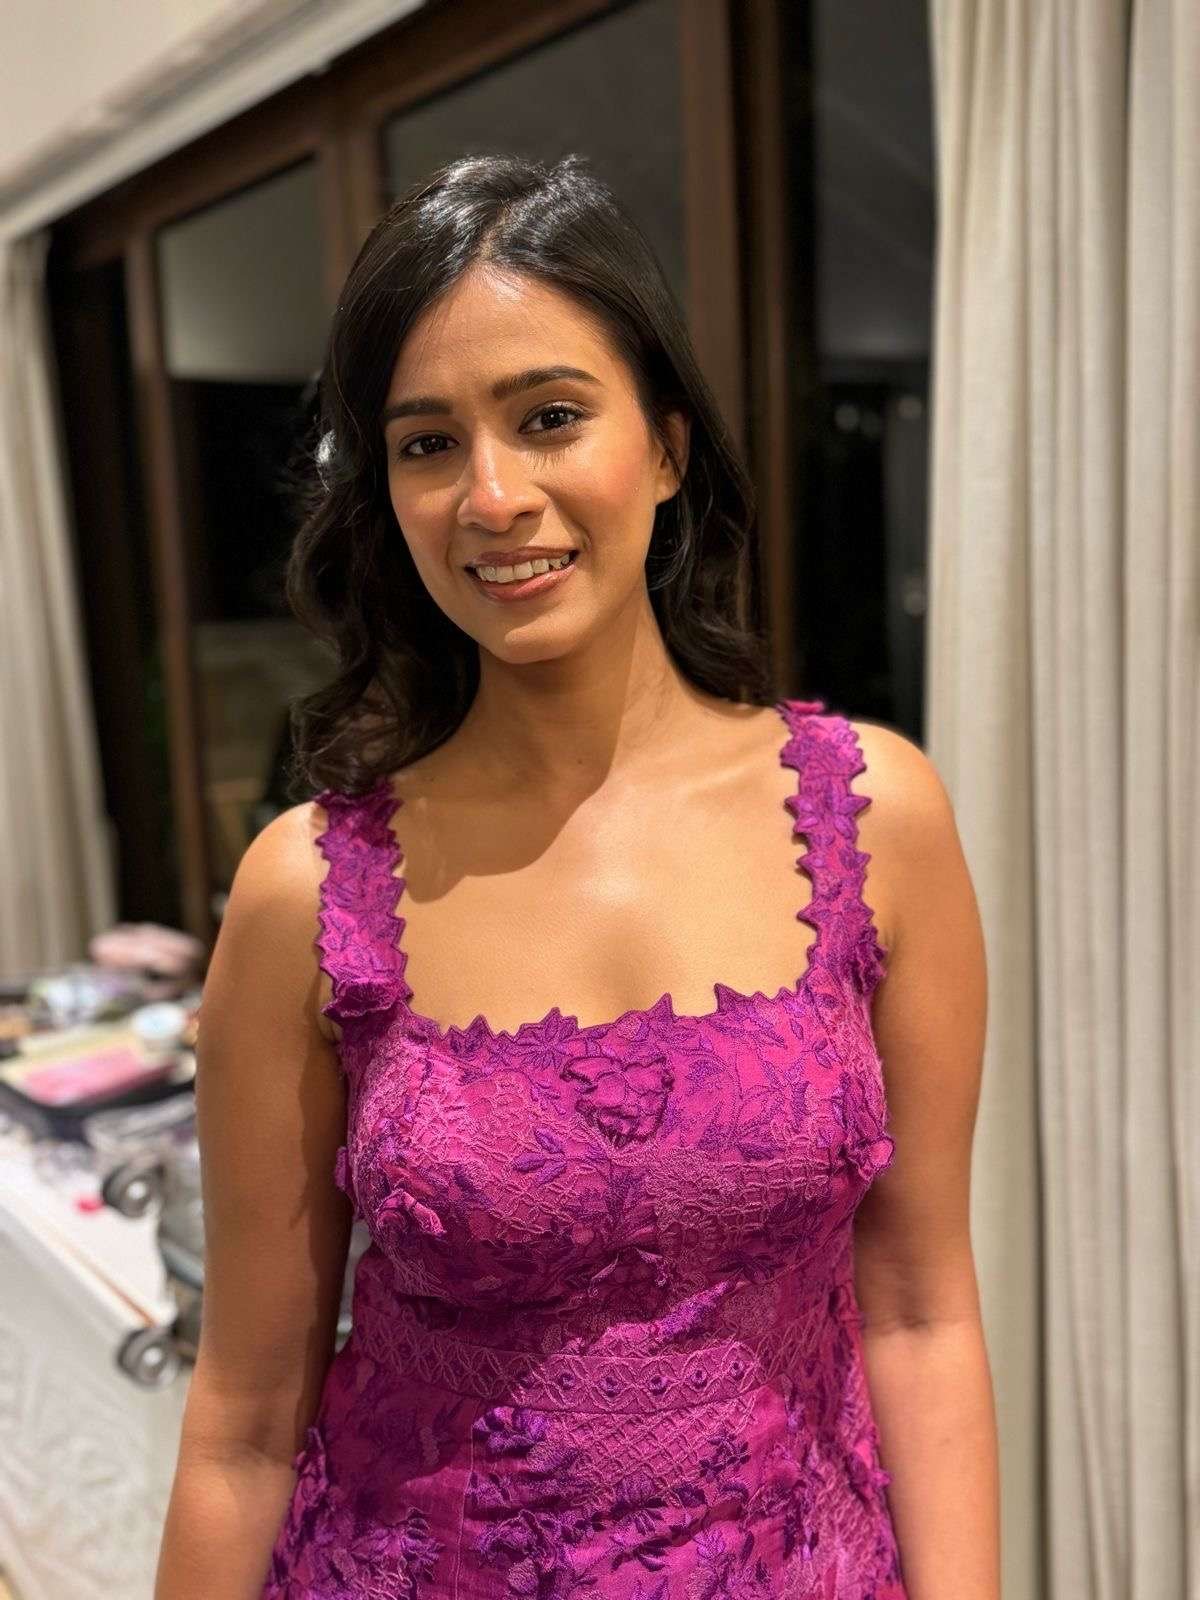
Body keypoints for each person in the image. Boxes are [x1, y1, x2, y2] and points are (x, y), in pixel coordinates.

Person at [154, 152, 998, 1600]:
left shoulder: (874, 819)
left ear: (665, 447)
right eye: (428, 444)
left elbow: (920, 1311)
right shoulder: (312, 891)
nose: (493, 496)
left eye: (549, 417)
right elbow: (242, 1418)